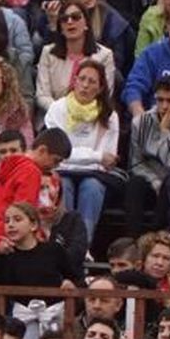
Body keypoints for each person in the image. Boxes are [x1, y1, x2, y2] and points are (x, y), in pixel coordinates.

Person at [43, 59, 121, 244]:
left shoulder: (110, 115)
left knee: (91, 187)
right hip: (62, 171)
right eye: (82, 79)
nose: (85, 85)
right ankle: (62, 241)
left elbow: (108, 160)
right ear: (74, 81)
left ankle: (82, 244)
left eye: (92, 82)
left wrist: (85, 157)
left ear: (101, 88)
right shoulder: (57, 108)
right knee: (64, 185)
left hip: (95, 175)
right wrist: (95, 156)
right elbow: (59, 154)